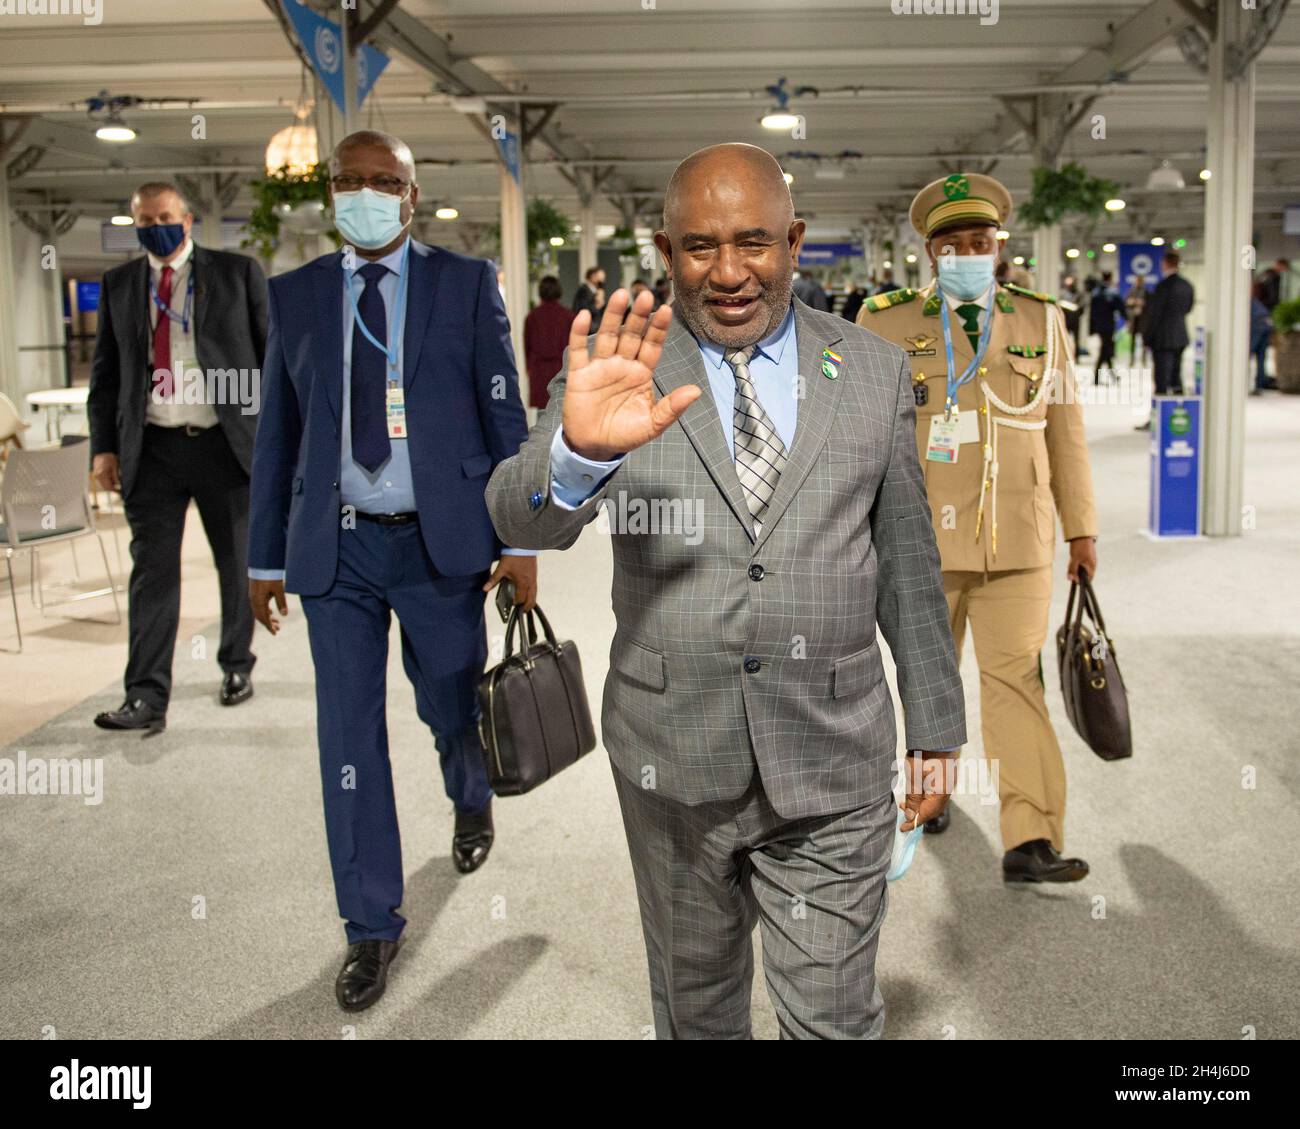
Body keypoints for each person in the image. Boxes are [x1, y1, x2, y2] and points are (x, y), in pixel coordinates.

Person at [487, 143, 966, 1040]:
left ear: (793, 241)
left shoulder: (870, 369)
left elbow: (906, 560)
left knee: (833, 1015)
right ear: (666, 255)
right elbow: (518, 514)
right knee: (697, 1011)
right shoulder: (622, 362)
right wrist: (578, 456)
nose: (731, 272)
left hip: (832, 759)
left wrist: (937, 727)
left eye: (754, 242)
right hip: (672, 757)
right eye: (701, 247)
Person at [246, 130, 537, 1013]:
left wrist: (519, 536)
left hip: (440, 539)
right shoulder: (296, 298)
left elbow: (503, 410)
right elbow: (278, 438)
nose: (364, 194)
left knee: (449, 695)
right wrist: (264, 554)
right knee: (347, 734)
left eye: (383, 182)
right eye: (349, 181)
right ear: (330, 193)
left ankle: (469, 785)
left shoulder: (463, 283)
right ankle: (370, 924)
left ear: (412, 196)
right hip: (335, 549)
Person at [858, 171, 1098, 882]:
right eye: (953, 242)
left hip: (1017, 540)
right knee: (929, 682)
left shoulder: (1039, 318)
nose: (969, 251)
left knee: (1016, 681)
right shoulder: (888, 321)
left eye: (981, 240)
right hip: (922, 539)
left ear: (999, 246)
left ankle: (1031, 836)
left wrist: (1080, 530)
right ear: (930, 252)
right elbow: (864, 435)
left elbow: (1067, 431)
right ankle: (932, 797)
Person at [87, 181, 267, 733]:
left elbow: (271, 360)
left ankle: (236, 665)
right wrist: (103, 450)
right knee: (152, 574)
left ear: (187, 221)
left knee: (234, 564)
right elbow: (107, 376)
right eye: (144, 220)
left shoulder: (237, 273)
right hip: (153, 447)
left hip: (223, 443)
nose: (154, 227)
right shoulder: (120, 284)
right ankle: (145, 695)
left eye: (164, 217)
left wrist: (280, 444)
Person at [1144, 251, 1194, 404]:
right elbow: (1188, 308)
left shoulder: (1163, 286)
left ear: (1166, 264)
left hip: (1163, 339)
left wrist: (1147, 337)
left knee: (1161, 379)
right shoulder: (1187, 285)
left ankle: (1159, 417)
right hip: (1180, 336)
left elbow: (1155, 314)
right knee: (1176, 376)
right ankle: (1179, 411)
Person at [524, 275, 575, 410]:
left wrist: (529, 369)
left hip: (539, 370)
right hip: (562, 368)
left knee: (542, 412)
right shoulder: (568, 315)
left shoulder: (532, 317)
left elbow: (527, 346)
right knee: (562, 411)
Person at [1089, 270, 1124, 383]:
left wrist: (1091, 328)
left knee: (1106, 349)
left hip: (1099, 326)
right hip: (1109, 326)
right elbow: (1120, 307)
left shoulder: (1095, 292)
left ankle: (1109, 375)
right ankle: (1099, 376)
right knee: (1105, 350)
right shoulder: (1112, 293)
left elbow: (1092, 312)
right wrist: (1127, 318)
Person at [1250, 281, 1273, 395]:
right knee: (1261, 359)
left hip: (1257, 329)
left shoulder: (1250, 302)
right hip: (1265, 328)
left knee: (1246, 357)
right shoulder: (1259, 303)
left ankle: (1246, 385)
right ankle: (1259, 385)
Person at [1125, 273, 1151, 368]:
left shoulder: (1146, 291)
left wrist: (1142, 303)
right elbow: (1126, 302)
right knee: (1132, 340)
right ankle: (1132, 359)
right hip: (1133, 318)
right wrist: (1132, 302)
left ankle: (1144, 359)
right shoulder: (1131, 290)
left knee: (1144, 340)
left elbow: (1149, 304)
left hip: (1143, 319)